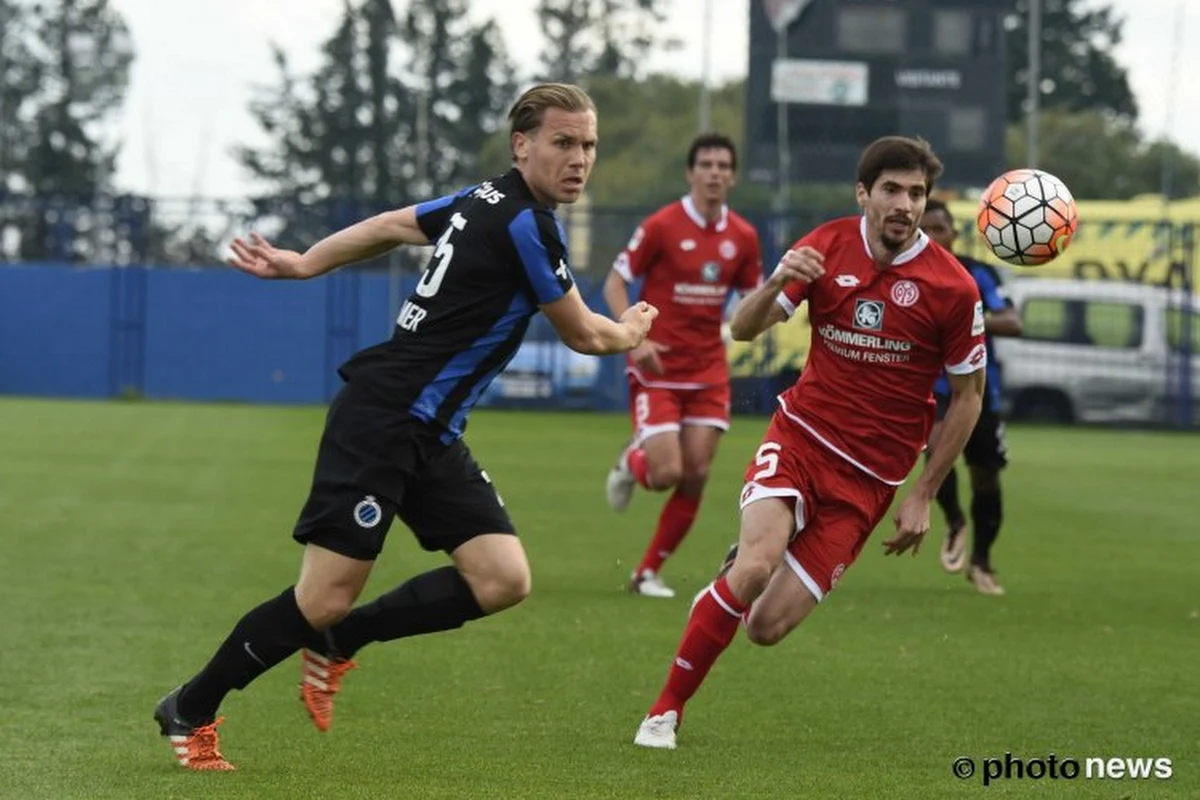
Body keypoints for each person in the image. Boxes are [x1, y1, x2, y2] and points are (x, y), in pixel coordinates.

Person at [152, 83, 658, 771]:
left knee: (502, 579)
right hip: (386, 420)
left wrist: (306, 262)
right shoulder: (524, 223)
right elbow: (581, 334)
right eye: (563, 142)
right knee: (323, 596)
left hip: (430, 431)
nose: (579, 158)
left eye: (589, 144)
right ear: (523, 145)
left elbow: (392, 224)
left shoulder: (484, 199)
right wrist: (628, 332)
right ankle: (192, 704)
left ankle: (336, 646)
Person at [632, 136, 988, 750]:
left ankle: (727, 586)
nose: (904, 204)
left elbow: (969, 396)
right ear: (863, 194)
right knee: (757, 565)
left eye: (916, 193)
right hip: (800, 438)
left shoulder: (953, 289)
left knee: (765, 628)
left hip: (869, 483)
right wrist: (775, 283)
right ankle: (664, 712)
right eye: (892, 191)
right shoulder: (825, 245)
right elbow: (741, 332)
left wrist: (923, 492)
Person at [602, 133, 763, 598]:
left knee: (695, 474)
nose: (714, 172)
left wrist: (752, 312)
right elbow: (616, 282)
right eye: (706, 164)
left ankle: (647, 572)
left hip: (709, 371)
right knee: (666, 472)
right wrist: (632, 340)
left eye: (723, 165)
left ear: (732, 176)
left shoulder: (744, 237)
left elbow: (749, 298)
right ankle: (632, 464)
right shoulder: (662, 225)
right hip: (658, 367)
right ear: (691, 172)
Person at [919, 198, 1023, 595]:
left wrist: (967, 318)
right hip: (932, 389)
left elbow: (1012, 322)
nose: (931, 237)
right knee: (934, 447)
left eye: (939, 229)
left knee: (986, 480)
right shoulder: (903, 275)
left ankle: (981, 561)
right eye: (923, 229)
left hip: (979, 390)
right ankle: (955, 521)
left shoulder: (977, 273)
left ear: (954, 234)